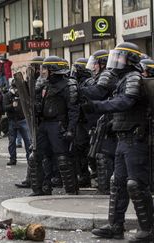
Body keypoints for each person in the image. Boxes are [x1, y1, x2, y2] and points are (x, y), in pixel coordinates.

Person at [88, 42, 153, 242]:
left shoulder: (133, 77)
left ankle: (148, 229)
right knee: (117, 183)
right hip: (123, 138)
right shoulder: (121, 79)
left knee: (135, 184)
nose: (115, 61)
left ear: (131, 60)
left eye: (120, 57)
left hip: (136, 139)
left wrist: (97, 106)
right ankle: (115, 226)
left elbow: (125, 102)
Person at [29, 56, 79, 196]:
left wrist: (70, 129)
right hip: (44, 124)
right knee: (36, 157)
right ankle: (41, 189)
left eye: (45, 68)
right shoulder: (45, 85)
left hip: (58, 125)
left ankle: (71, 190)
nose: (43, 71)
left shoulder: (69, 85)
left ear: (54, 70)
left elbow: (74, 110)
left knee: (63, 160)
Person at [80, 49, 116, 195]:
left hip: (107, 119)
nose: (93, 66)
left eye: (95, 63)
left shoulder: (107, 75)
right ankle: (103, 184)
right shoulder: (97, 76)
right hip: (98, 121)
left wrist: (79, 90)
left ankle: (106, 187)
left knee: (104, 154)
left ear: (102, 63)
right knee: (97, 154)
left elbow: (98, 92)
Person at [15, 56, 43, 188]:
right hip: (35, 122)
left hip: (43, 122)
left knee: (38, 153)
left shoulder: (42, 82)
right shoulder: (34, 82)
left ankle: (37, 181)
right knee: (33, 151)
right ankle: (31, 179)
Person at [70, 57, 94, 188]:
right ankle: (84, 176)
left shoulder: (89, 83)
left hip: (88, 121)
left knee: (92, 152)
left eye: (76, 69)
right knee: (79, 150)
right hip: (81, 121)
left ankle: (94, 175)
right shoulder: (78, 83)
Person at [3, 80, 31, 166]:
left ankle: (29, 158)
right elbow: (4, 107)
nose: (16, 90)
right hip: (12, 120)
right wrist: (12, 105)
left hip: (22, 119)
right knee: (12, 141)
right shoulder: (7, 95)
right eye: (15, 88)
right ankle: (13, 159)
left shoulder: (22, 94)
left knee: (27, 141)